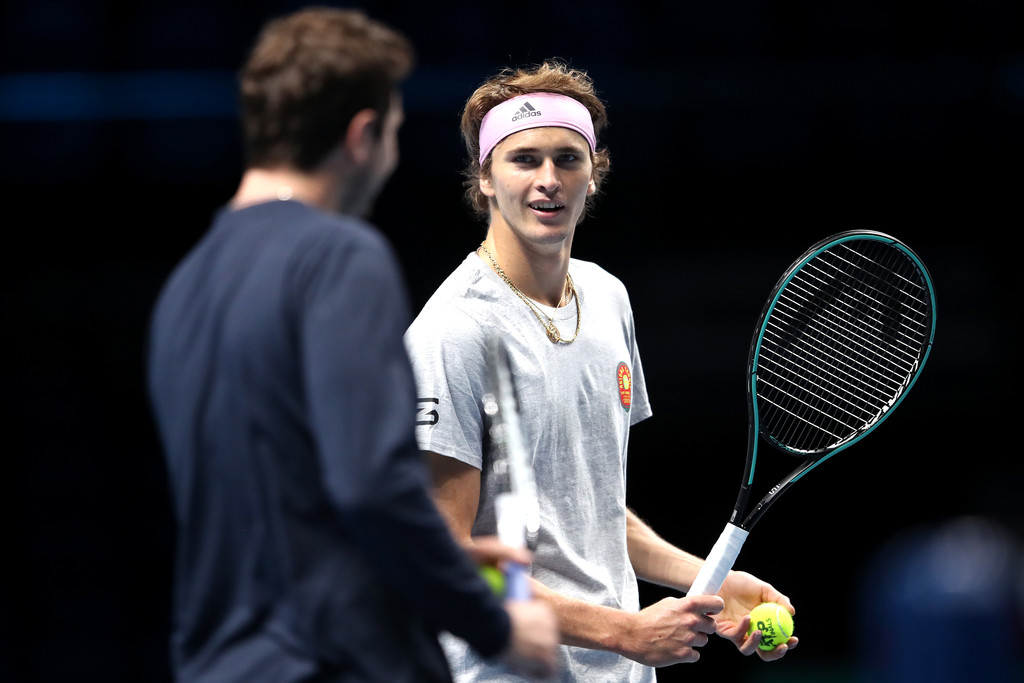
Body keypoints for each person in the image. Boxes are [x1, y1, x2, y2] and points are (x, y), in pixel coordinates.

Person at [145, 8, 558, 682]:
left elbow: (279, 508)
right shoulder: (339, 256)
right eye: (393, 134)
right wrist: (496, 624)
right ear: (362, 135)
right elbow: (371, 486)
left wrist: (446, 563)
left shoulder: (183, 287)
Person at [404, 60, 798, 681]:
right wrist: (624, 631)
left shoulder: (607, 297)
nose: (548, 180)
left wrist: (710, 581)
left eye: (567, 158)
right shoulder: (453, 331)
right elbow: (446, 556)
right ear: (485, 177)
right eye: (524, 159)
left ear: (594, 173)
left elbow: (591, 512)